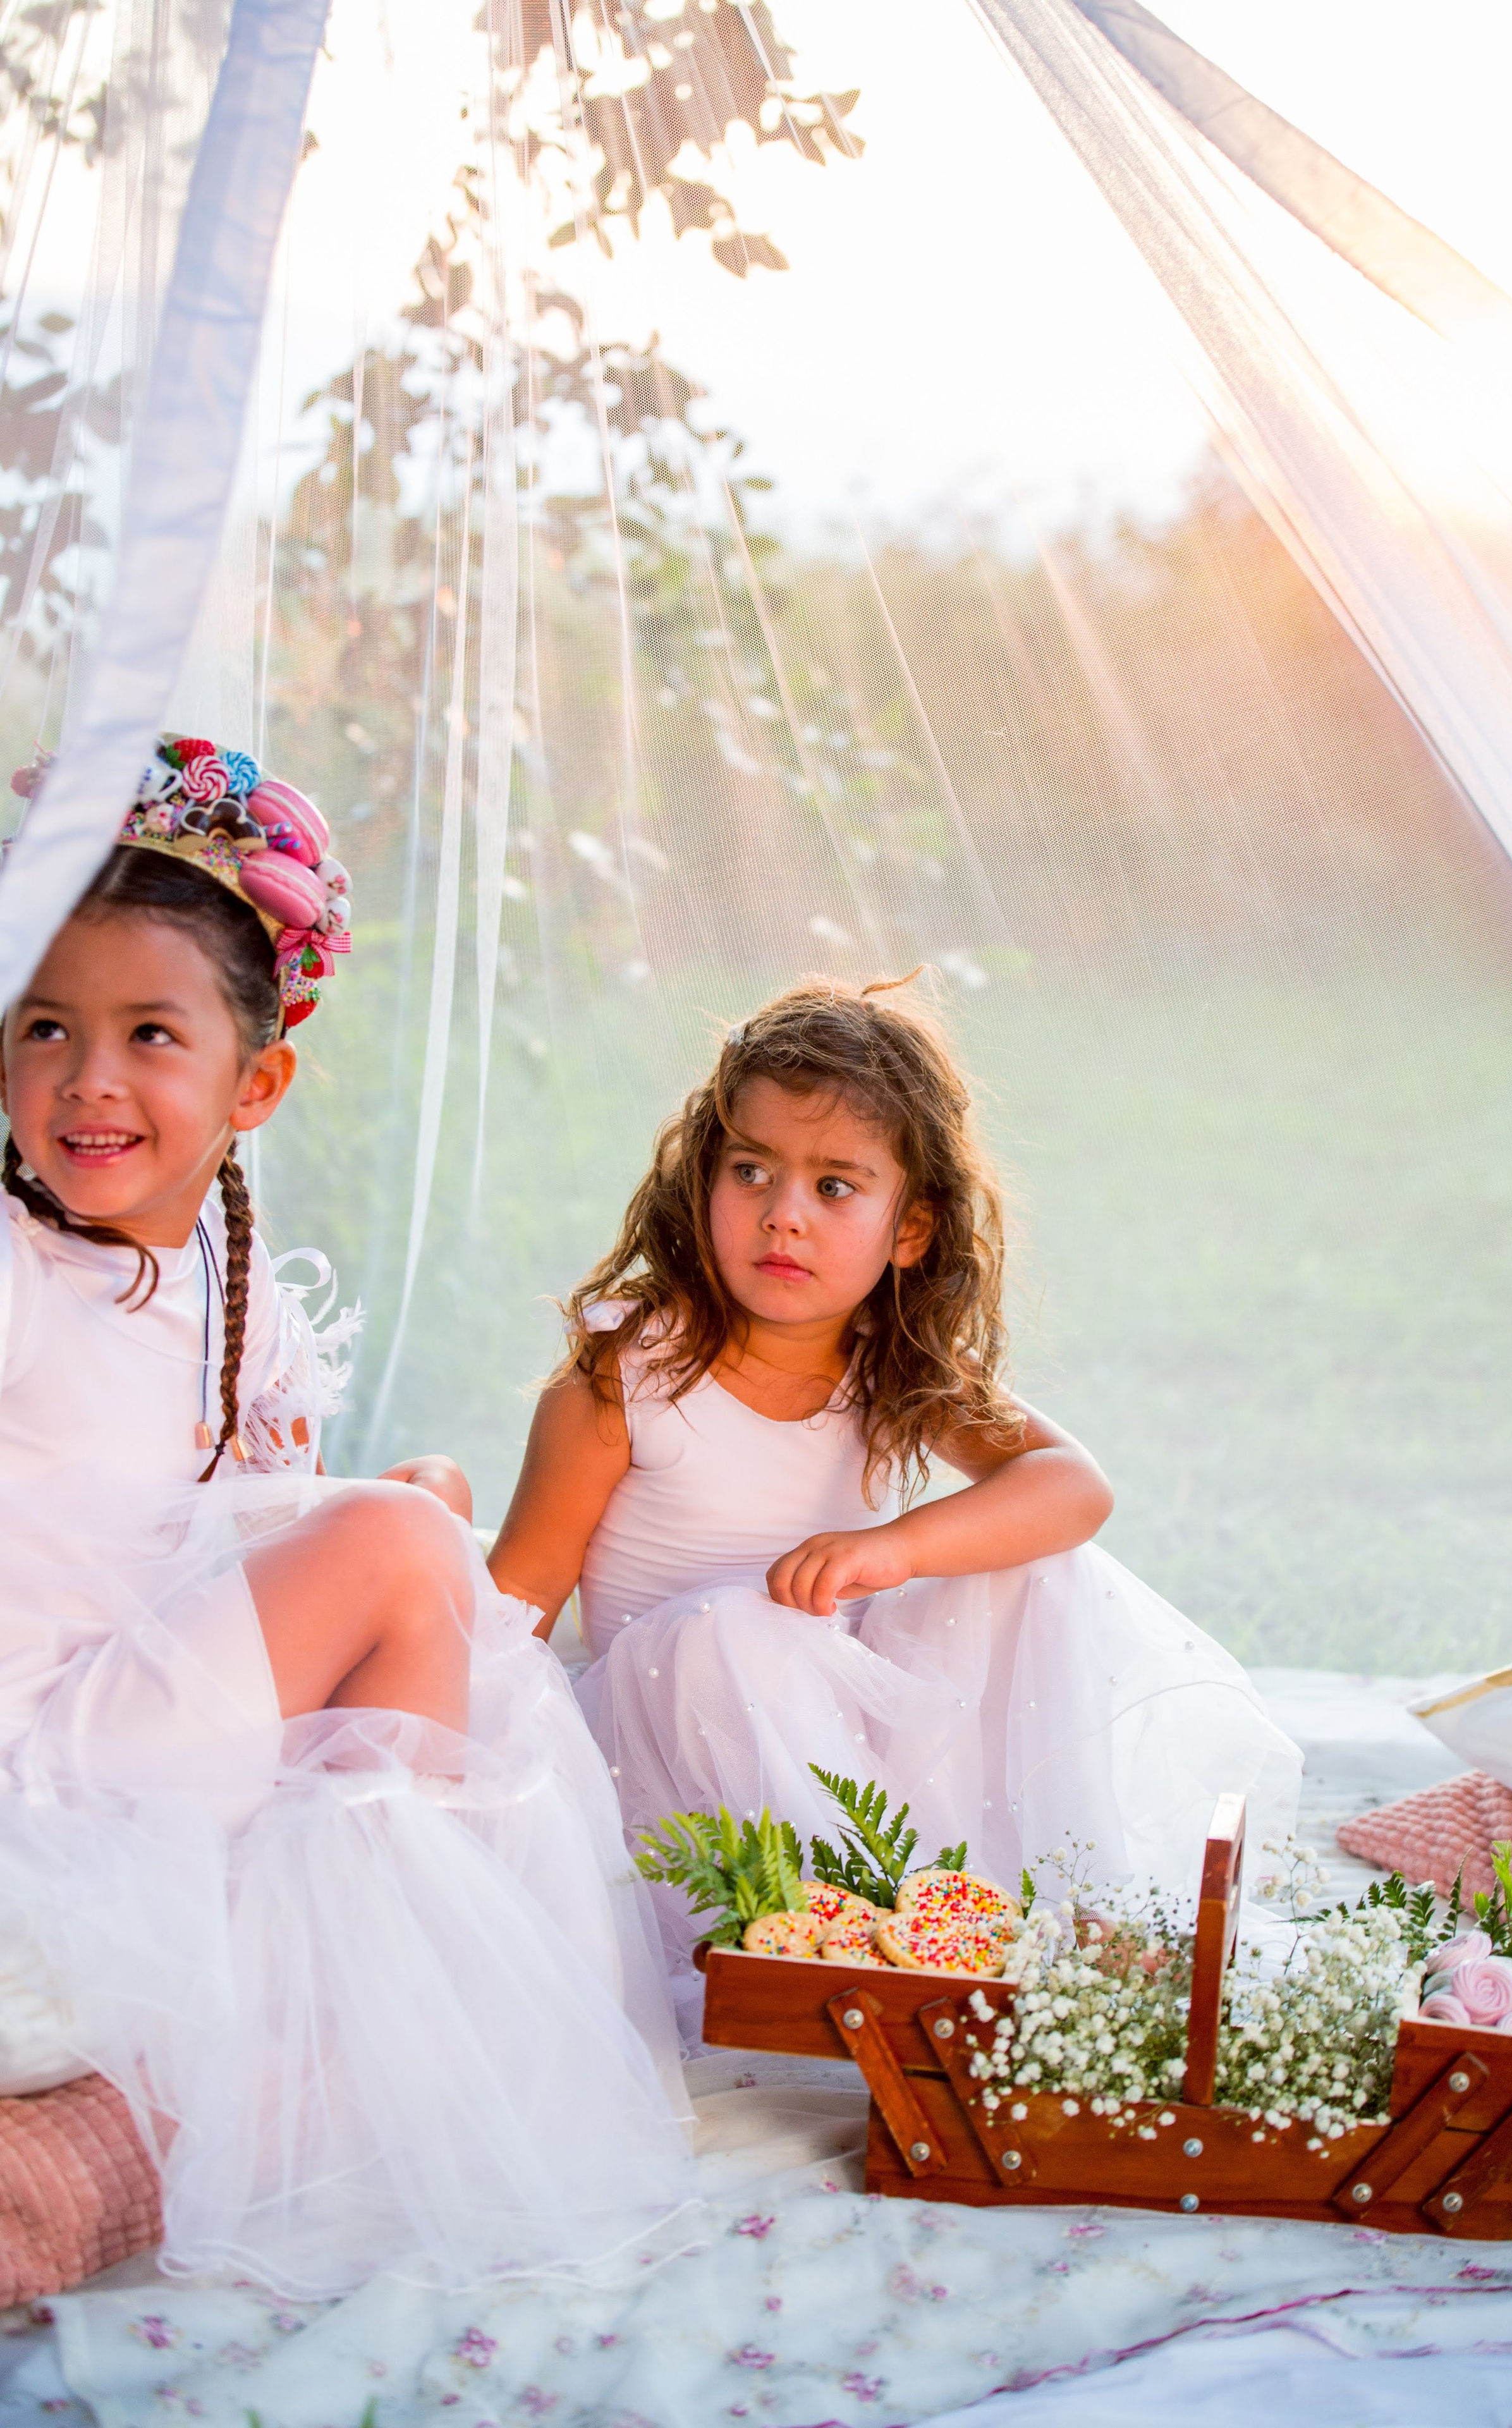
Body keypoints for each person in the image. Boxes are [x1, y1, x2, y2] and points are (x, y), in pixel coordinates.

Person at [0, 737, 693, 2298]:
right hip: (43, 1766)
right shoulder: (20, 1274)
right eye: (45, 1026)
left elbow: (215, 1524)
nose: (88, 1075)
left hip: (122, 1705)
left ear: (254, 1085)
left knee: (420, 1500)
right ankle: (361, 1991)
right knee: (395, 1544)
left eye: (148, 1033)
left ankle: (349, 1985)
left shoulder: (218, 1278)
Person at [492, 977, 1300, 1965]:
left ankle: (1027, 1904)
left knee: (1033, 1562)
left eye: (834, 1187)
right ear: (704, 1181)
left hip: (837, 1746)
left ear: (909, 1229)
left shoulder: (890, 1364)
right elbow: (518, 1601)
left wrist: (895, 1548)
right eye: (750, 1170)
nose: (783, 1215)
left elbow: (1074, 1485)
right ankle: (865, 1930)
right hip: (665, 1762)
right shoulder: (629, 1372)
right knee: (737, 1630)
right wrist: (479, 1786)